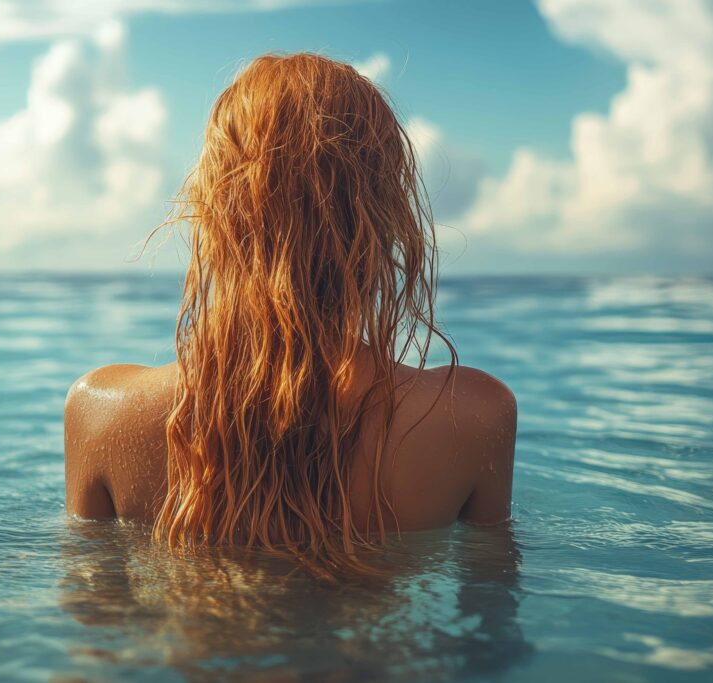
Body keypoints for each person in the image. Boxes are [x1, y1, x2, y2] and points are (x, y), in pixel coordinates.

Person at [64, 52, 516, 573]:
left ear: (213, 208)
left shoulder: (102, 412)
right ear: (386, 216)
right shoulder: (475, 417)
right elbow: (490, 611)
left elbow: (98, 616)